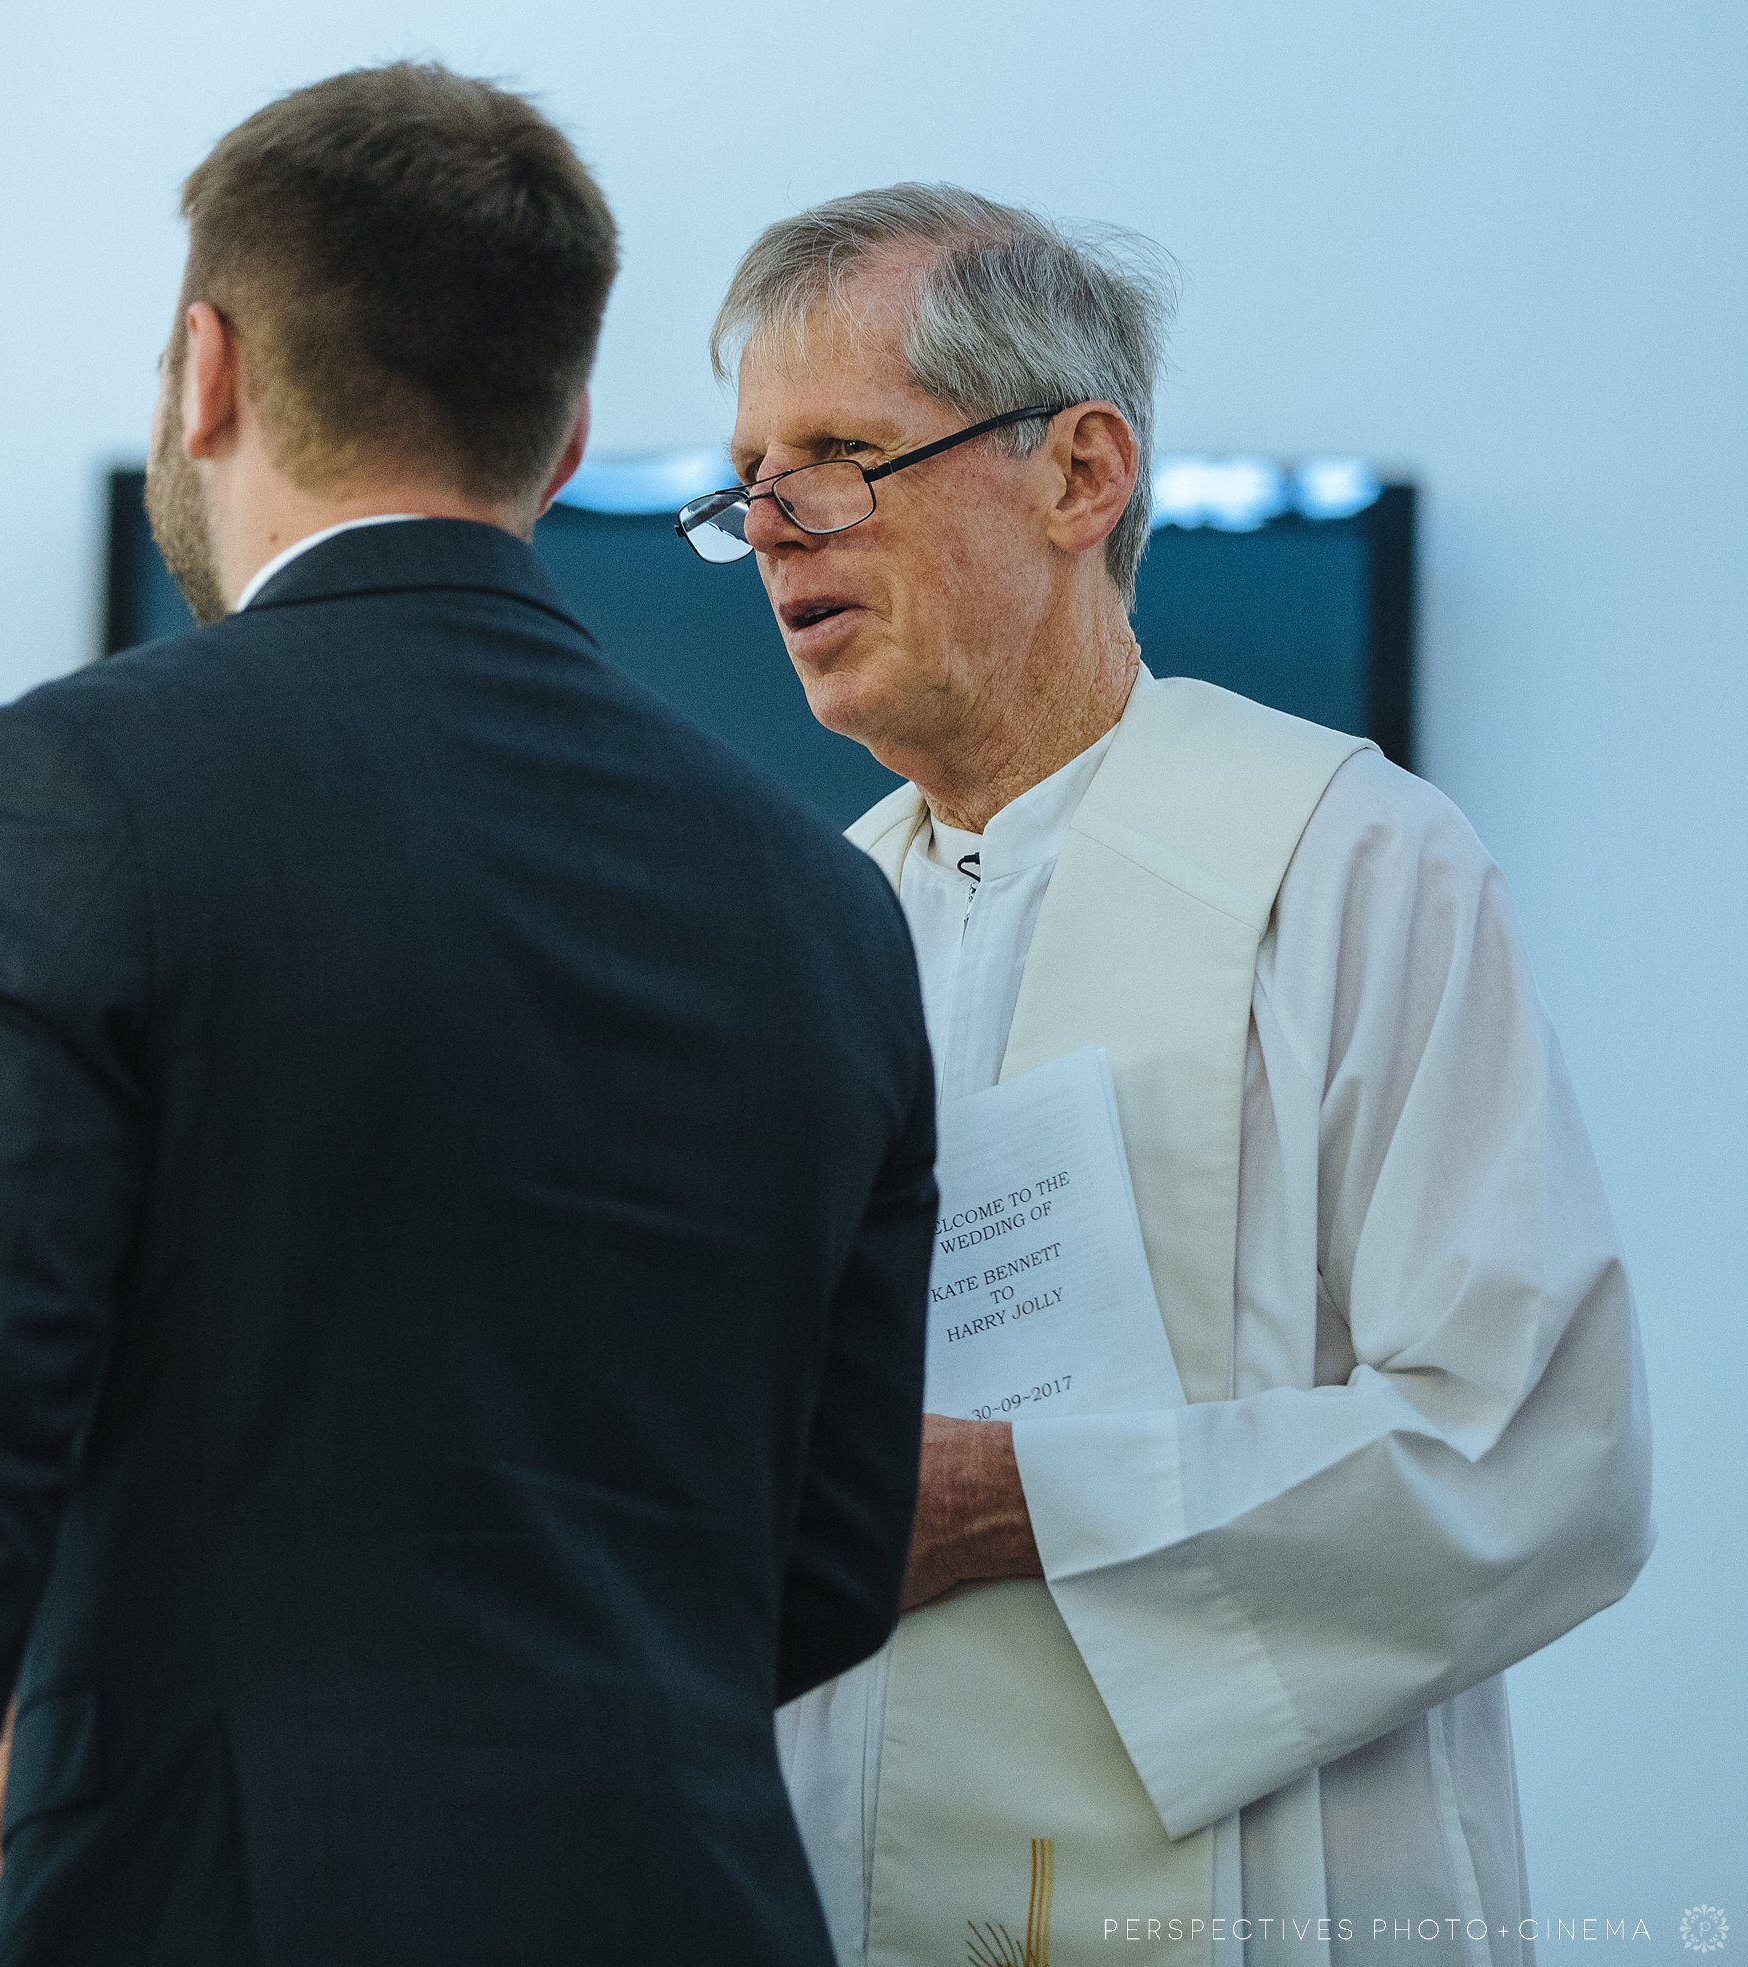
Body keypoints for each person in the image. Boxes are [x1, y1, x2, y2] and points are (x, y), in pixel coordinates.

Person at [0, 63, 935, 1967]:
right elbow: (836, 1561)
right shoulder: (822, 905)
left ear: (206, 370)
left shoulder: (83, 791)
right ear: (561, 447)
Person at [684, 184, 1652, 1967]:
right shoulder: (808, 929)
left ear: (1078, 474)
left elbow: (1534, 1450)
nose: (768, 528)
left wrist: (1018, 1502)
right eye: (745, 480)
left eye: (833, 455)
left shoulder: (1344, 862)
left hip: (1265, 1885)